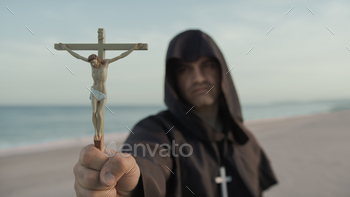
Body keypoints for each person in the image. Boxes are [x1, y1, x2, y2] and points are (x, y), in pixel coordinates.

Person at [73, 30, 278, 197]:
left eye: (207, 65)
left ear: (221, 71)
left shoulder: (244, 139)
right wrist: (132, 178)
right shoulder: (157, 131)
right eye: (184, 70)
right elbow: (148, 159)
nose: (198, 78)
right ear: (173, 80)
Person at [60, 43, 143, 143]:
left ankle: (100, 132)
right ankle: (96, 133)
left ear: (98, 59)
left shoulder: (105, 63)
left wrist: (133, 48)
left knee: (100, 113)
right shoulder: (91, 65)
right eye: (91, 64)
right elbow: (78, 56)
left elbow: (121, 56)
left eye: (94, 63)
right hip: (94, 91)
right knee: (94, 112)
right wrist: (66, 49)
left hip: (103, 93)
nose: (93, 65)